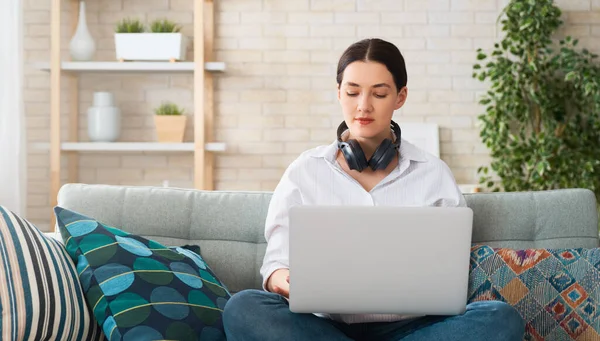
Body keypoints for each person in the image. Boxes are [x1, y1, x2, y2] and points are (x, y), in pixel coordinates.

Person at [222, 38, 525, 341]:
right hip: (322, 328)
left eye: (379, 94)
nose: (363, 106)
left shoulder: (434, 174)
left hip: (414, 329)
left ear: (400, 96)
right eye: (352, 92)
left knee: (500, 319)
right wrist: (285, 281)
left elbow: (451, 275)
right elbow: (275, 267)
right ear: (338, 93)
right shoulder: (304, 171)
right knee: (244, 307)